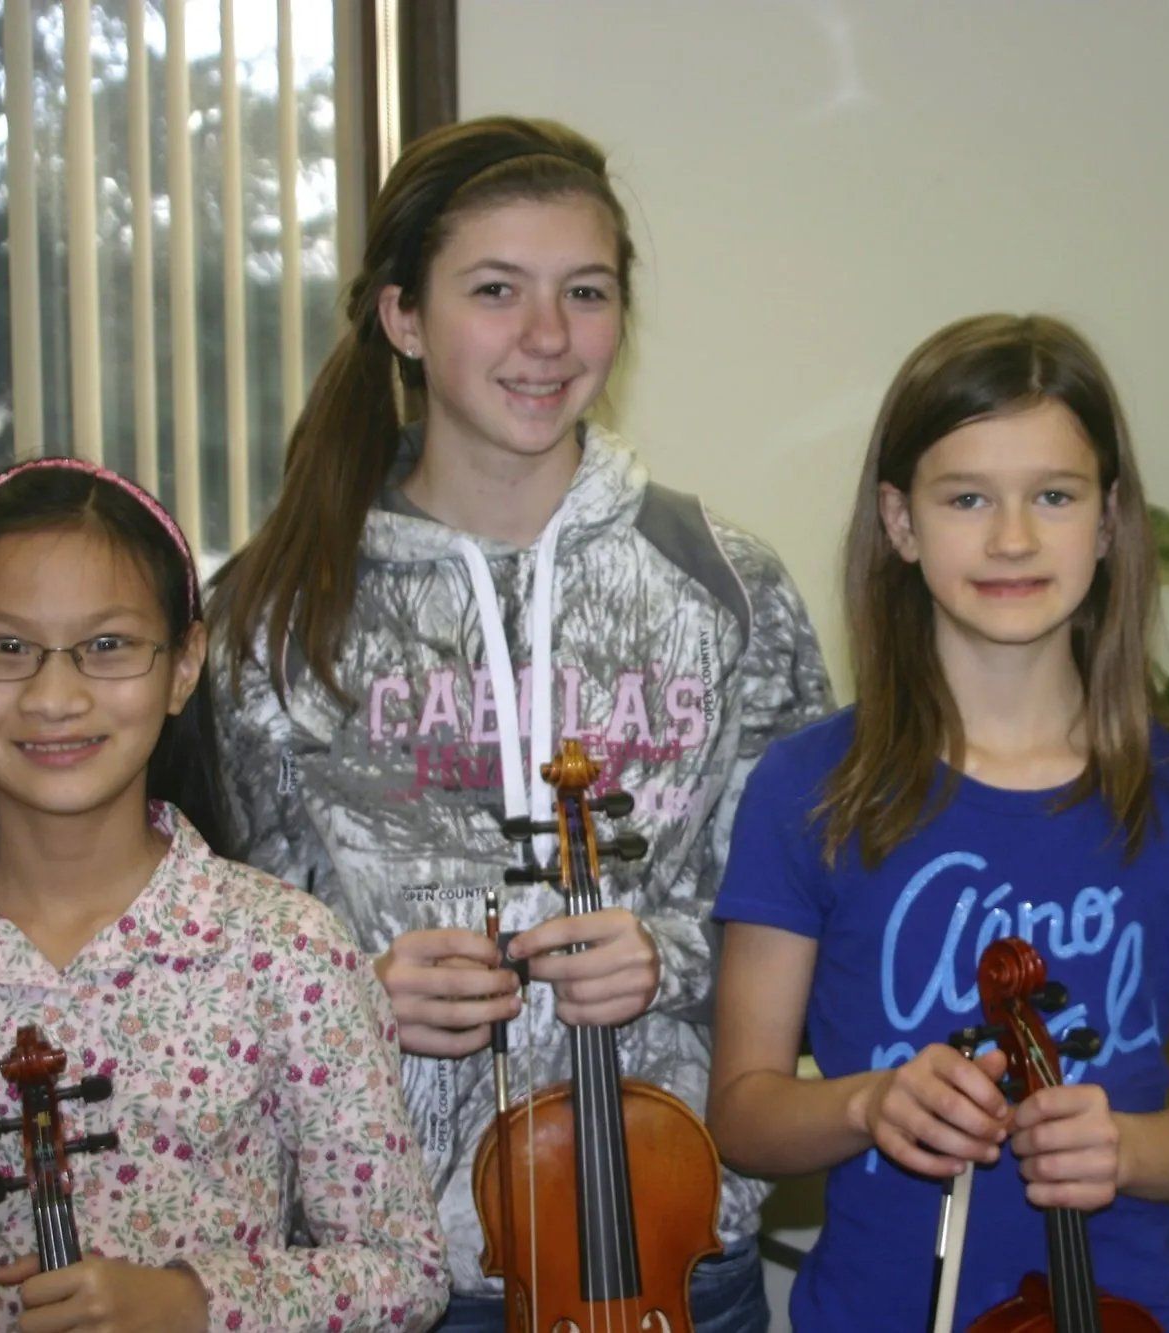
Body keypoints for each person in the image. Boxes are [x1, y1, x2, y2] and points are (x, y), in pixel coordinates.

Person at [209, 116, 832, 1331]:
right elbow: (214, 948)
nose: (547, 337)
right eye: (496, 290)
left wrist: (674, 955)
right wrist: (354, 991)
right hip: (377, 1263)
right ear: (402, 316)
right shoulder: (270, 612)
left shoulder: (729, 588)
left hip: (671, 1253)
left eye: (584, 292)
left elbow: (800, 911)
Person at [0, 459, 448, 1333]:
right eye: (7, 648)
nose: (56, 695)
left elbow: (401, 1270)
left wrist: (195, 1302)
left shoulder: (291, 952)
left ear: (183, 664)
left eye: (109, 645)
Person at [706, 312, 1169, 1333]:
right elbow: (744, 1113)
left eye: (1053, 497)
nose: (1012, 538)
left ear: (1108, 522)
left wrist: (1130, 1148)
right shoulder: (808, 787)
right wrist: (866, 1102)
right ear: (899, 522)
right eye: (966, 496)